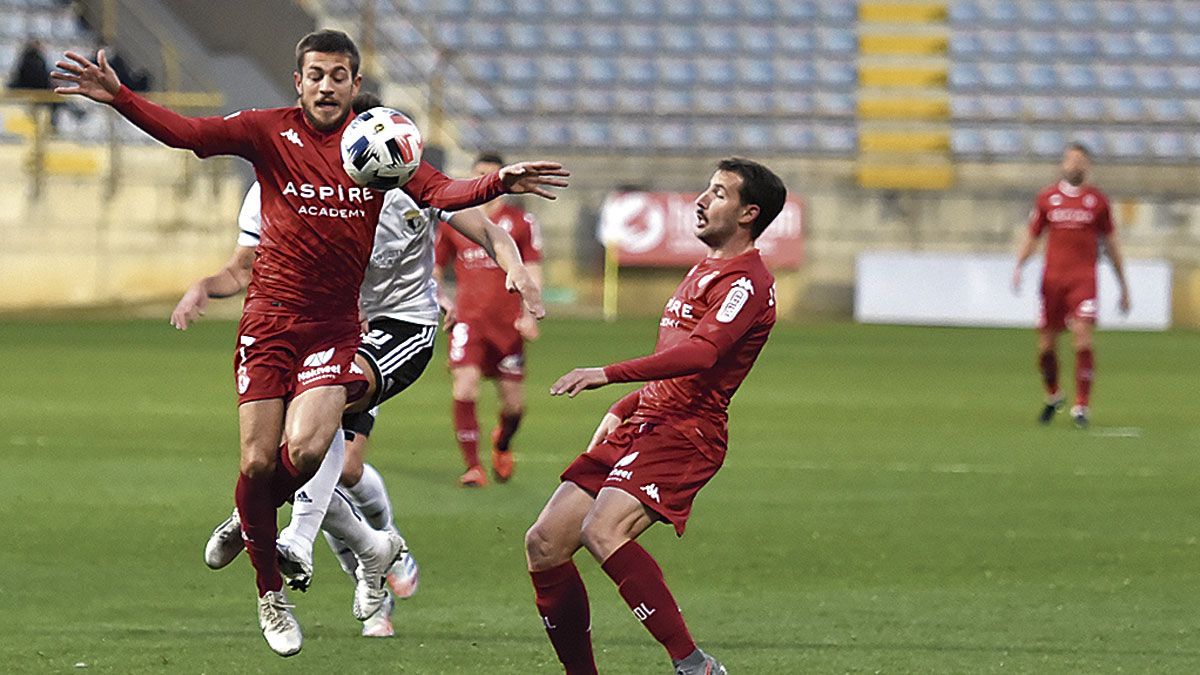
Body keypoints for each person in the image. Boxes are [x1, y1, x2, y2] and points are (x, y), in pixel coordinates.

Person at [53, 29, 567, 656]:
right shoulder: (268, 133)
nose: (327, 85)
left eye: (339, 75)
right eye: (316, 75)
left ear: (355, 84)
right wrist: (121, 98)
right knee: (256, 463)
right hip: (269, 324)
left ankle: (264, 532)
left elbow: (446, 195)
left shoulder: (383, 149)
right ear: (298, 81)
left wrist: (496, 184)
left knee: (309, 445)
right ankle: (271, 580)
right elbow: (190, 136)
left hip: (338, 330)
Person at [174, 94, 545, 639]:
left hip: (397, 329)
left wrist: (513, 268)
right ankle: (376, 550)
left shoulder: (411, 177)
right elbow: (248, 263)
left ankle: (276, 529)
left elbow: (485, 228)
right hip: (329, 327)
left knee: (323, 428)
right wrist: (208, 285)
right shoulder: (287, 182)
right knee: (338, 468)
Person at [524, 158, 786, 675]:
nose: (701, 200)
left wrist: (609, 374)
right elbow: (674, 355)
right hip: (649, 419)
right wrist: (628, 405)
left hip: (687, 432)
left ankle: (694, 666)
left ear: (749, 212)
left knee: (603, 530)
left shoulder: (746, 282)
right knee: (545, 544)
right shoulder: (705, 267)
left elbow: (703, 355)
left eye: (718, 193)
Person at [434, 151, 543, 487]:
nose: (485, 181)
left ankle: (502, 442)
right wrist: (440, 296)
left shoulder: (520, 222)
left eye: (491, 176)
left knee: (514, 407)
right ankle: (473, 467)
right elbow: (435, 267)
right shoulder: (455, 219)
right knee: (464, 386)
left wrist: (529, 313)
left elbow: (533, 268)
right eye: (478, 174)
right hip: (469, 321)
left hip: (508, 325)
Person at [1012, 142, 1130, 428]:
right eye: (1070, 160)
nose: (1075, 164)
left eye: (1080, 160)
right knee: (1045, 349)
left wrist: (1123, 285)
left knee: (1083, 338)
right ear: (1063, 164)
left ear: (1087, 165)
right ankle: (1053, 395)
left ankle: (1081, 406)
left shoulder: (1097, 201)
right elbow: (1033, 234)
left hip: (1083, 281)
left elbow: (1111, 243)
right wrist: (1019, 265)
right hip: (1052, 281)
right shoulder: (1047, 198)